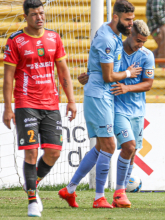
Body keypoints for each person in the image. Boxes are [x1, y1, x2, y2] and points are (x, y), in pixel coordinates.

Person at [58, 0, 139, 209]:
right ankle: (99, 197)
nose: (131, 24)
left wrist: (91, 73)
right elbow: (108, 75)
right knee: (110, 145)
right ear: (116, 17)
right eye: (127, 20)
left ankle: (70, 189)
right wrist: (129, 73)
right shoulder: (107, 38)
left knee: (102, 147)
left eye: (132, 19)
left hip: (102, 94)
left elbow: (98, 66)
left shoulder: (110, 32)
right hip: (99, 96)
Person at [2, 0, 77, 217]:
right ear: (25, 17)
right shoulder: (15, 40)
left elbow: (63, 72)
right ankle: (32, 201)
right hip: (26, 102)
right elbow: (8, 78)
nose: (39, 17)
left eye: (42, 13)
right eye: (34, 14)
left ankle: (31, 182)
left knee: (53, 152)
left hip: (51, 103)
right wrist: (8, 108)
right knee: (31, 152)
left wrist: (71, 100)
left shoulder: (54, 38)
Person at [74, 20, 154, 208]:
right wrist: (87, 77)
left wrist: (128, 87)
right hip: (115, 109)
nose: (141, 45)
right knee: (126, 146)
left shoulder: (146, 55)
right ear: (130, 34)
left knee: (129, 150)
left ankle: (74, 188)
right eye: (138, 41)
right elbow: (104, 72)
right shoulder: (116, 49)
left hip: (137, 110)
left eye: (144, 42)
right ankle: (117, 193)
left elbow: (148, 84)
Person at [146, 0, 165, 68]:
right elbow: (156, 11)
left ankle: (144, 61)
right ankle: (163, 67)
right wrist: (164, 23)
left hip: (158, 26)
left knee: (162, 48)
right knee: (164, 48)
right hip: (159, 26)